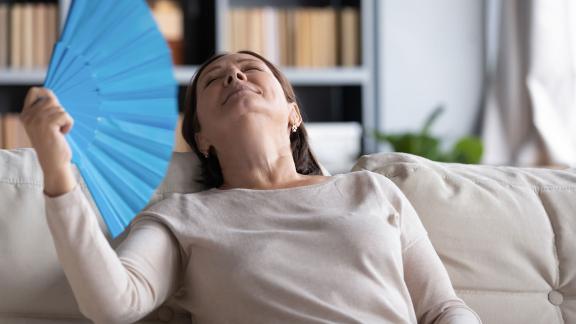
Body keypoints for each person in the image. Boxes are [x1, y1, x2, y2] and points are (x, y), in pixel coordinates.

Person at [21, 50, 482, 324]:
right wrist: (58, 173)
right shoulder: (181, 217)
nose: (235, 76)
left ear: (293, 112)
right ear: (201, 137)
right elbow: (113, 302)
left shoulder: (373, 191)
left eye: (250, 69)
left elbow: (444, 308)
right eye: (215, 80)